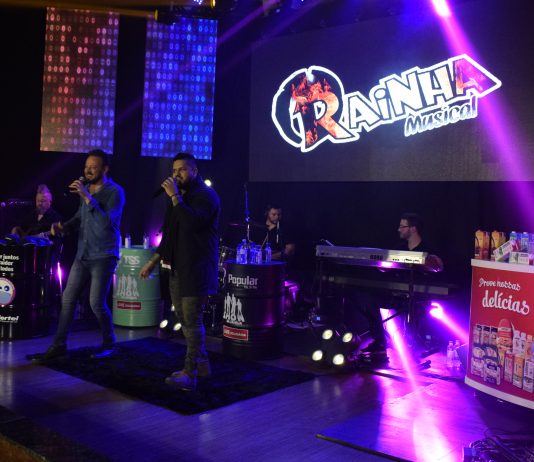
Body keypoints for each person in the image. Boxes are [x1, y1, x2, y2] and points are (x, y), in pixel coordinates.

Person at [30, 150, 125, 363]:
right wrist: (63, 227)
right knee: (68, 299)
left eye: (93, 167)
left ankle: (109, 343)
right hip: (83, 255)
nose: (88, 171)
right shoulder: (87, 190)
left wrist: (87, 197)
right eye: (86, 167)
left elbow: (106, 223)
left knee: (96, 303)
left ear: (105, 169)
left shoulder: (115, 192)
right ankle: (59, 346)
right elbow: (80, 218)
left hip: (104, 255)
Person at [139, 153, 220, 391]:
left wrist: (175, 197)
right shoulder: (179, 198)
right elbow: (170, 235)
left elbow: (193, 223)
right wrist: (153, 261)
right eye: (174, 170)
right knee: (185, 321)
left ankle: (190, 372)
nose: (177, 174)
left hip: (197, 268)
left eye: (182, 170)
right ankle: (202, 365)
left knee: (192, 322)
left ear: (195, 171)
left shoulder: (206, 196)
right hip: (177, 267)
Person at [358, 212, 443, 359]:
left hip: (418, 296)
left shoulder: (427, 247)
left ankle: (413, 346)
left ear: (413, 229)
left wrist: (426, 261)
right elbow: (386, 267)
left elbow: (438, 266)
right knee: (368, 300)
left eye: (402, 226)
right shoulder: (399, 247)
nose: (399, 230)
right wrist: (380, 263)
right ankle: (380, 341)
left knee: (414, 309)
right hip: (396, 294)